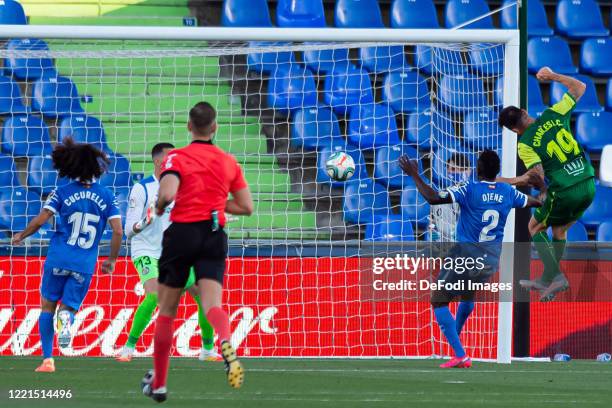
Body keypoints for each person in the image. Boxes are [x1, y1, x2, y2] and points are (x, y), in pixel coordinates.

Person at [141, 102, 253, 402]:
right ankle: (226, 342)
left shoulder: (176, 156)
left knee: (166, 311)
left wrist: (162, 205)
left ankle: (160, 384)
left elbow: (166, 193)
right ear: (214, 127)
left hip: (182, 235)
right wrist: (215, 203)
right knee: (212, 305)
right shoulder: (228, 161)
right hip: (214, 234)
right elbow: (246, 207)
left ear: (189, 126)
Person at [399, 150, 541, 368]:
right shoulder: (507, 192)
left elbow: (433, 198)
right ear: (498, 170)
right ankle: (455, 340)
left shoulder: (469, 189)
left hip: (465, 256)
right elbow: (537, 202)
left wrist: (414, 174)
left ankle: (460, 354)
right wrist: (543, 186)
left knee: (438, 300)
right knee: (467, 294)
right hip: (491, 260)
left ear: (478, 169)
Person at [12, 138, 123, 373]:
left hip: (58, 258)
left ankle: (48, 360)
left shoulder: (61, 192)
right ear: (95, 168)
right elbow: (118, 231)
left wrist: (22, 234)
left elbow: (42, 219)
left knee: (46, 308)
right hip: (84, 263)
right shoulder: (107, 196)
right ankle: (67, 320)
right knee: (68, 308)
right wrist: (111, 260)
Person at [498, 66, 596, 301]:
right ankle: (547, 279)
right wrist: (552, 76)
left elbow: (536, 175)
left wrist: (509, 181)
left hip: (566, 190)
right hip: (589, 184)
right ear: (524, 111)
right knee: (559, 230)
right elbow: (580, 87)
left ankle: (557, 277)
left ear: (513, 130)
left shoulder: (525, 144)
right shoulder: (554, 114)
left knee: (534, 226)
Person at [116, 142, 221, 363]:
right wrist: (147, 220)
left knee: (204, 295)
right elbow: (128, 231)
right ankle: (128, 347)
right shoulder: (142, 188)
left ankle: (208, 349)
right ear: (158, 161)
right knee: (155, 294)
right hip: (146, 250)